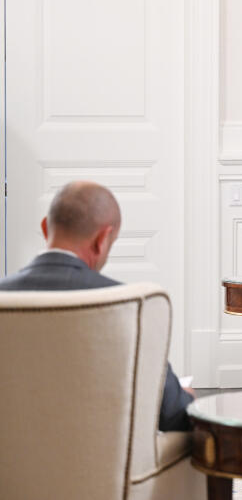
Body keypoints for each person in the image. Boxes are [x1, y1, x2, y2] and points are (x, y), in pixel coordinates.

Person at [0, 181, 195, 431]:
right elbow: (173, 414)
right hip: (102, 456)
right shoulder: (128, 304)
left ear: (45, 227)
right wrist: (185, 397)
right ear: (102, 240)